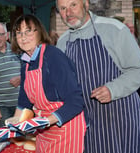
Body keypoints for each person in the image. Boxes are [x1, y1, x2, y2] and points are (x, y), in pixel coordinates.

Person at [55, 0, 140, 152]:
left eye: (73, 5)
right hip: (86, 124)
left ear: (86, 4)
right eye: (63, 8)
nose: (68, 13)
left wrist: (112, 89)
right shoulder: (62, 42)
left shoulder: (114, 29)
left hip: (121, 119)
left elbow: (139, 68)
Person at [7, 14, 86, 153]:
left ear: (39, 32)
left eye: (28, 31)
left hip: (66, 127)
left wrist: (45, 121)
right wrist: (15, 122)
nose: (23, 37)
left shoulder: (53, 56)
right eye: (19, 33)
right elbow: (23, 102)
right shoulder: (26, 62)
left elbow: (76, 102)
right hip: (44, 131)